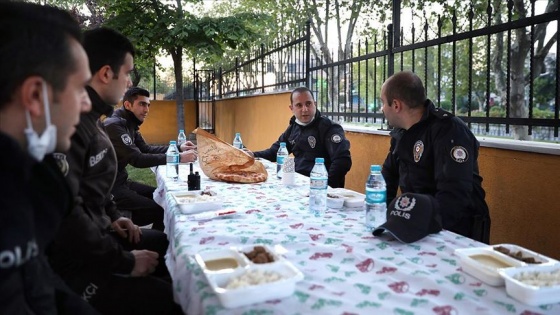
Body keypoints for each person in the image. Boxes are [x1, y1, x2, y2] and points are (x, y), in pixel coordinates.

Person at [47, 27, 182, 314]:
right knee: (171, 298)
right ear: (106, 73)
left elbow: (96, 187)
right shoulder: (71, 125)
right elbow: (68, 217)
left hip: (102, 234)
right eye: (128, 73)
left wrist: (114, 216)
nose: (130, 81)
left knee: (174, 250)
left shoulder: (95, 119)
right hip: (76, 264)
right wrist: (127, 262)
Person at [0, 2, 99, 314]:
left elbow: (38, 282)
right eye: (80, 87)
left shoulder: (24, 181)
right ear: (34, 96)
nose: (85, 105)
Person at [380, 71, 491, 243]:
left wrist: (416, 225)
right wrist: (384, 216)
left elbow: (454, 198)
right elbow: (387, 178)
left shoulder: (449, 130)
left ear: (396, 105)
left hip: (457, 234)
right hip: (420, 226)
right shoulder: (401, 134)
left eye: (382, 102)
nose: (381, 109)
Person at [104, 86, 197, 231]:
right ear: (128, 105)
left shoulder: (130, 123)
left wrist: (178, 148)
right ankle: (156, 245)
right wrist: (177, 158)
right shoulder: (114, 125)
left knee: (163, 196)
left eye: (148, 105)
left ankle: (156, 239)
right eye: (142, 104)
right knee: (162, 209)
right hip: (111, 188)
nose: (146, 109)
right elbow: (138, 159)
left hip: (122, 181)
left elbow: (146, 149)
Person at [250, 86, 352, 188]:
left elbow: (342, 161)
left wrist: (325, 187)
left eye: (308, 103)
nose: (305, 109)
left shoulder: (329, 128)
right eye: (299, 105)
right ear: (292, 108)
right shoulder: (294, 127)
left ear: (314, 104)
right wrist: (251, 155)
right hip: (297, 183)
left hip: (319, 188)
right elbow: (274, 152)